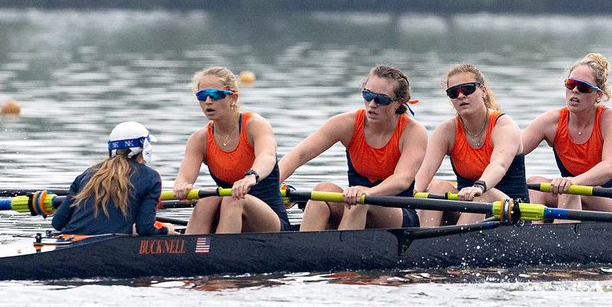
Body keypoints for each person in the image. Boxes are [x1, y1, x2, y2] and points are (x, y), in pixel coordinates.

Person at [278, 65, 427, 230]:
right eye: (368, 95)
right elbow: (299, 155)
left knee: (360, 203)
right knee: (322, 191)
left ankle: (342, 253)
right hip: (355, 201)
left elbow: (402, 179)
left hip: (398, 212)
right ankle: (303, 249)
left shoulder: (413, 132)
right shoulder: (346, 123)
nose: (372, 104)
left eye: (381, 99)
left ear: (398, 103)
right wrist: (269, 185)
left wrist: (369, 192)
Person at [172, 66, 290, 233]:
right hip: (231, 217)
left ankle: (218, 255)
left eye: (215, 95)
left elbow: (267, 156)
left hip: (271, 224)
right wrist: (182, 188)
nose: (207, 102)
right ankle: (188, 255)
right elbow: (184, 177)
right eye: (201, 96)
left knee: (233, 199)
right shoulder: (199, 139)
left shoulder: (255, 125)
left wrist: (251, 177)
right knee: (207, 200)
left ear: (233, 98)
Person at [415, 63, 528, 226]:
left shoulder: (504, 126)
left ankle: (457, 247)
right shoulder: (447, 130)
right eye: (453, 92)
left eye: (467, 89)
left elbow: (499, 165)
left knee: (482, 195)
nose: (460, 96)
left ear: (483, 91)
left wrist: (479, 186)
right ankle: (422, 242)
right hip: (467, 207)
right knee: (438, 186)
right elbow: (425, 170)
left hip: (511, 211)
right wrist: (412, 192)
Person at [522, 53, 612, 214]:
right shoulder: (551, 121)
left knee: (572, 190)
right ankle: (531, 235)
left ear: (599, 95)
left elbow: (611, 167)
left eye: (583, 87)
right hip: (572, 197)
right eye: (571, 84)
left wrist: (573, 181)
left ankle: (562, 237)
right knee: (534, 184)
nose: (575, 91)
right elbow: (511, 152)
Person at [52, 121, 174, 236]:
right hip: (106, 248)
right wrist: (166, 229)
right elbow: (145, 228)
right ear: (145, 148)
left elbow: (58, 223)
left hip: (67, 242)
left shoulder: (87, 174)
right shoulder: (151, 178)